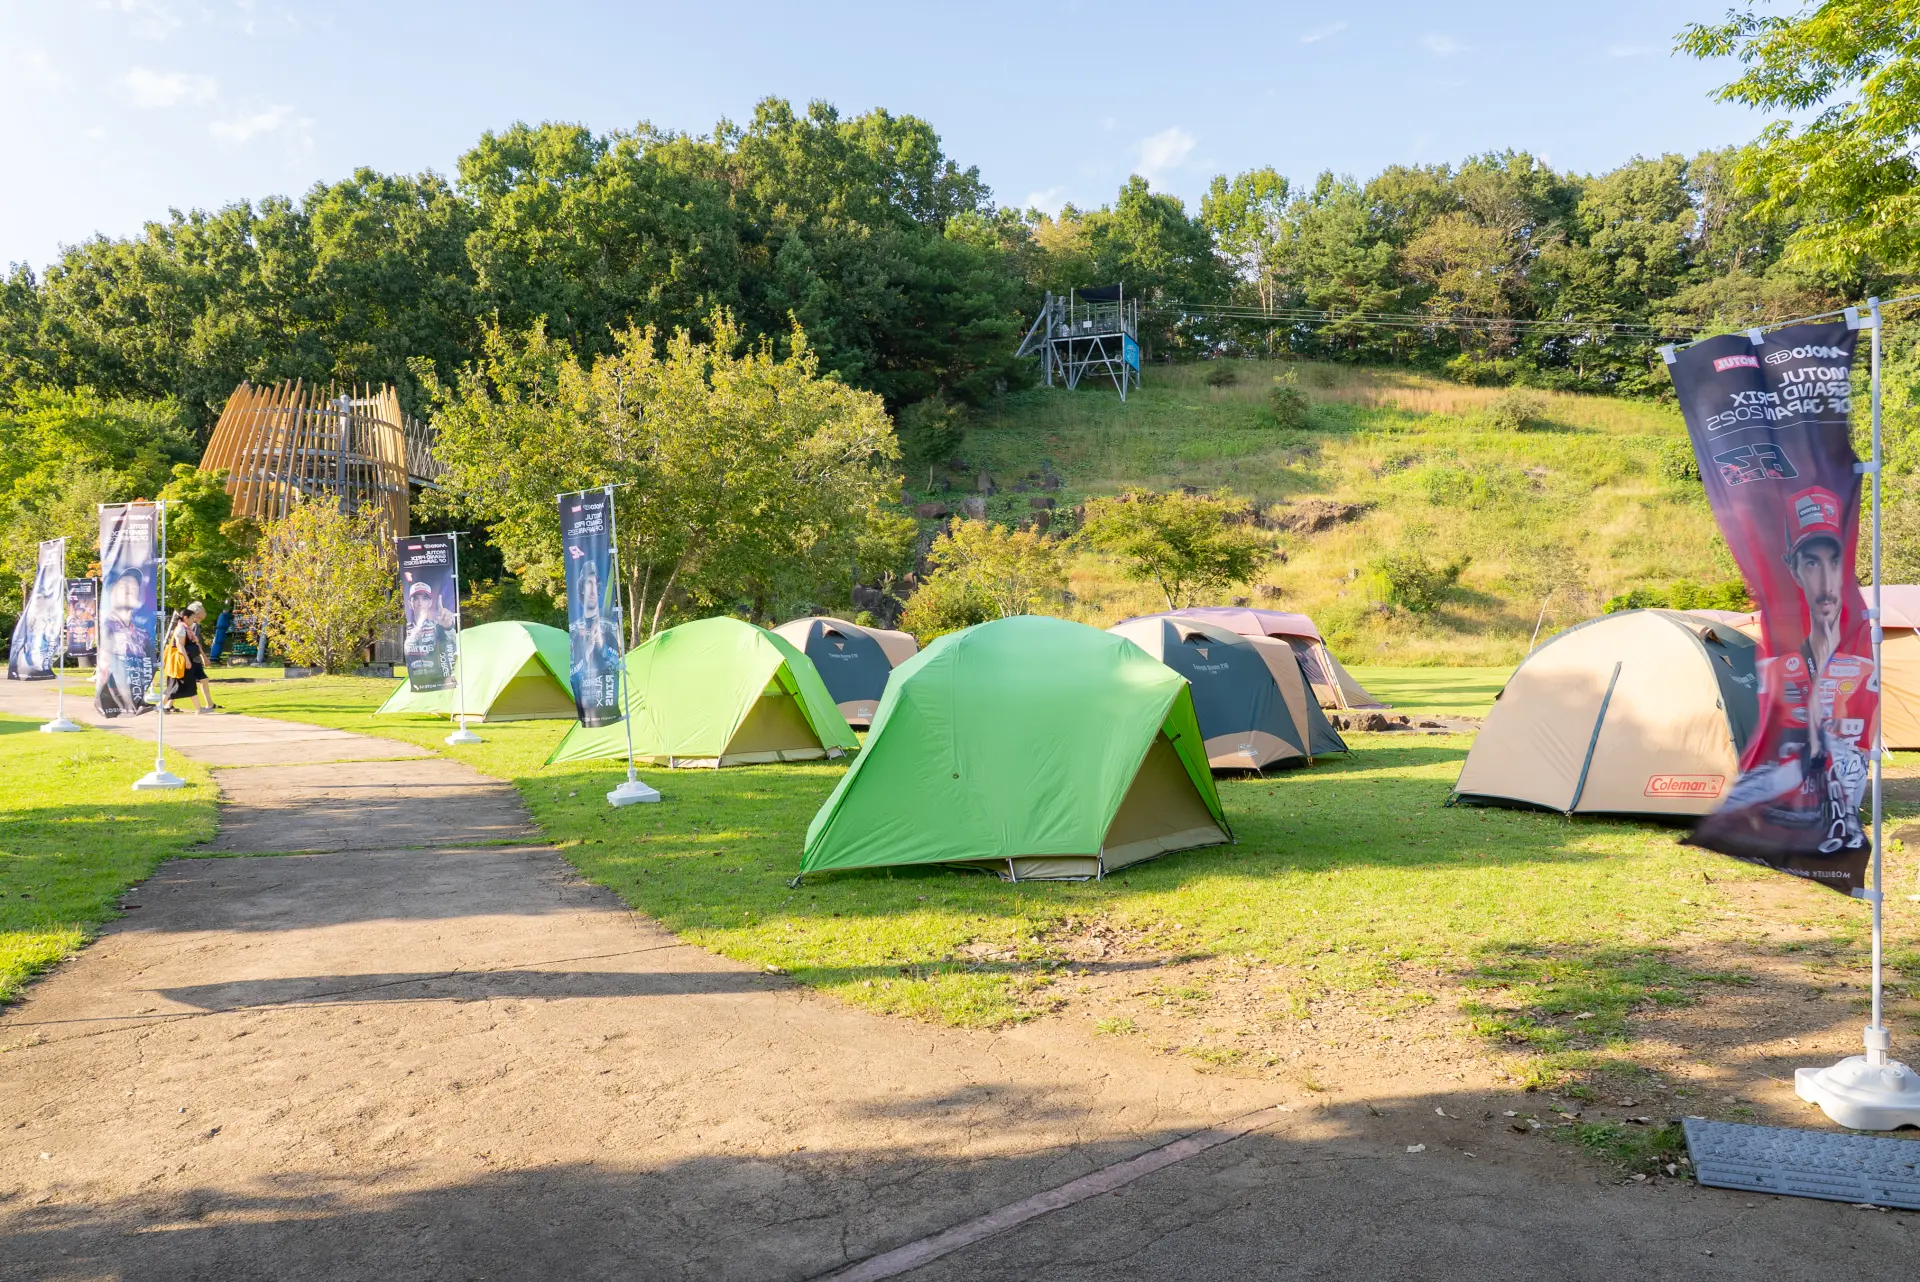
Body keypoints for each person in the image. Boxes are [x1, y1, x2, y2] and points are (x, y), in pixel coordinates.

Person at [567, 558, 625, 723]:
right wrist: (587, 651)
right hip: (588, 702)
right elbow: (574, 674)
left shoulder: (608, 627)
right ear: (582, 588)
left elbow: (616, 666)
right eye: (588, 583)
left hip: (606, 699)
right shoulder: (575, 630)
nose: (592, 589)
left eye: (595, 584)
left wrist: (602, 646)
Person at [97, 567, 153, 717]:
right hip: (114, 697)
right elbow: (106, 662)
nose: (130, 591)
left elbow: (149, 663)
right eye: (123, 587)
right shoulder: (107, 627)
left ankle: (136, 703)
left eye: (135, 587)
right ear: (112, 591)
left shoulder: (143, 634)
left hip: (135, 692)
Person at [403, 579, 459, 690]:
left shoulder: (438, 625)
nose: (419, 603)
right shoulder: (405, 628)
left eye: (424, 598)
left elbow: (451, 646)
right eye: (415, 598)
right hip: (416, 684)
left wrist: (448, 628)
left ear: (430, 603)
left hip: (439, 682)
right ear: (410, 603)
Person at [183, 602, 217, 712]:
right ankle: (166, 704)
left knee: (203, 679)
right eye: (202, 610)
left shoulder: (191, 625)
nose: (205, 612)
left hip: (193, 657)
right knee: (181, 683)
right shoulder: (192, 625)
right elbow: (196, 644)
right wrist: (204, 657)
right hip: (191, 658)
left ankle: (209, 704)